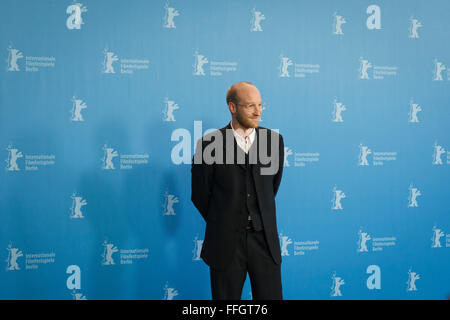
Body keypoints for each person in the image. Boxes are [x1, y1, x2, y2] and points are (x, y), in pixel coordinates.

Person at [191, 81, 285, 300]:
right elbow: (200, 195)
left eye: (261, 105)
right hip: (225, 245)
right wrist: (224, 219)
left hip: (265, 242)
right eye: (250, 105)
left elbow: (272, 187)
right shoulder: (209, 144)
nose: (258, 111)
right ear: (232, 107)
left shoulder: (273, 141)